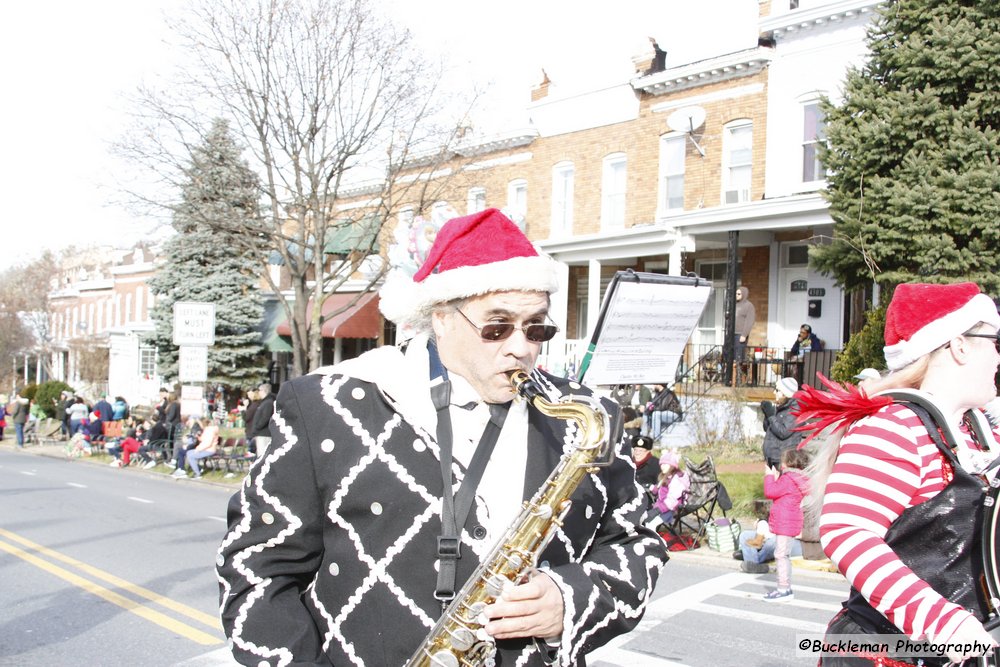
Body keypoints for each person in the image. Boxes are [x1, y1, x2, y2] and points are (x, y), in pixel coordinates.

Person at [216, 208, 668, 666]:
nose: (522, 347)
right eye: (497, 326)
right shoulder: (326, 406)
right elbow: (255, 571)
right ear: (442, 318)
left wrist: (570, 598)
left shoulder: (588, 416)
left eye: (537, 327)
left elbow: (639, 544)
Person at [796, 282, 1000, 665]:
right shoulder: (894, 426)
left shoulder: (977, 430)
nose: (999, 357)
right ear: (960, 345)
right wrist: (943, 623)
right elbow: (847, 532)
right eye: (996, 342)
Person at [761, 448, 809, 602]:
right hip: (790, 521)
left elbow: (770, 491)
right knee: (783, 555)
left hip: (785, 522)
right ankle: (785, 587)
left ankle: (783, 589)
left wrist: (769, 476)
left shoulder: (788, 479)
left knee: (781, 555)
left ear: (788, 463)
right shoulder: (798, 478)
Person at [760, 376, 805, 468]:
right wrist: (767, 414)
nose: (774, 392)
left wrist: (771, 416)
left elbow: (783, 433)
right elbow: (766, 428)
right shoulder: (780, 407)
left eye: (777, 390)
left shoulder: (795, 410)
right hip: (772, 457)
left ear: (785, 394)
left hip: (783, 459)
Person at [733, 516, 802, 574]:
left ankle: (754, 560)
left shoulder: (806, 507)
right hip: (773, 536)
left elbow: (808, 534)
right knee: (745, 535)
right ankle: (752, 561)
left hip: (794, 542)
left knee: (774, 541)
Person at [648, 450, 690, 531]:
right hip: (663, 506)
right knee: (645, 521)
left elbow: (672, 500)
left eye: (665, 464)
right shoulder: (666, 476)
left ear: (672, 465)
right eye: (661, 464)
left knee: (650, 524)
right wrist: (650, 487)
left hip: (673, 509)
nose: (662, 466)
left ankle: (654, 542)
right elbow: (660, 490)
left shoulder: (677, 479)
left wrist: (657, 510)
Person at [248, 382, 275, 455]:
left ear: (263, 391)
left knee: (262, 454)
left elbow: (265, 417)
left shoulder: (268, 402)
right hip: (260, 433)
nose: (258, 393)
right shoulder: (264, 402)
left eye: (259, 391)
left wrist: (257, 427)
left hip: (264, 433)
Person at [734, 285, 756, 363]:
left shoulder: (749, 306)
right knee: (731, 357)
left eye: (739, 294)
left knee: (739, 357)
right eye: (736, 293)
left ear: (743, 294)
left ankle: (739, 374)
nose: (736, 295)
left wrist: (744, 334)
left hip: (740, 335)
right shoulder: (733, 304)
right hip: (731, 334)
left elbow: (750, 321)